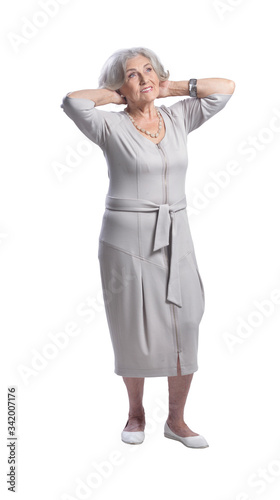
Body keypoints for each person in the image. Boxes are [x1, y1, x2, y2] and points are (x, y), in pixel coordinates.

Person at [60, 46, 235, 448]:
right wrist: (119, 94)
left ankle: (176, 420)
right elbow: (73, 102)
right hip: (126, 239)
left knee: (185, 320)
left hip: (176, 232)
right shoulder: (109, 127)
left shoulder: (178, 116)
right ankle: (135, 414)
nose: (144, 78)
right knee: (132, 326)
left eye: (149, 70)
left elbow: (225, 89)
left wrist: (169, 86)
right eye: (133, 74)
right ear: (119, 85)